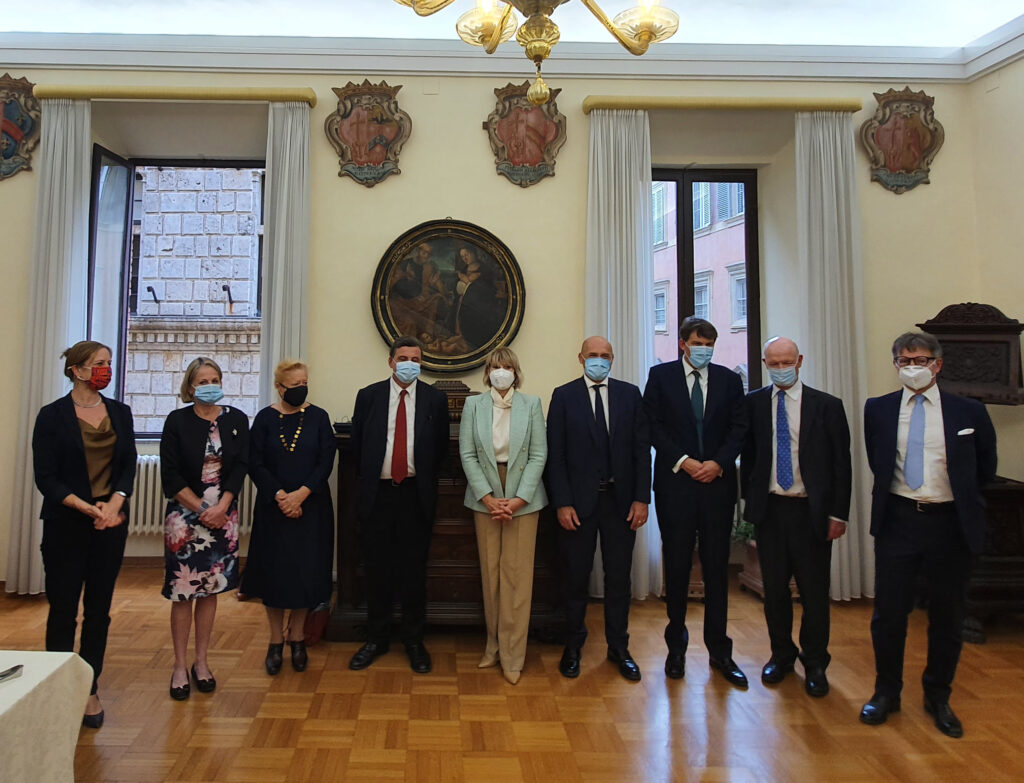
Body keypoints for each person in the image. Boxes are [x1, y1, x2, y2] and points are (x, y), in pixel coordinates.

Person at [860, 331, 996, 738]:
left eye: (920, 360)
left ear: (937, 364)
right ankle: (887, 692)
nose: (913, 367)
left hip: (950, 525)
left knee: (947, 616)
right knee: (889, 615)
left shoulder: (969, 412)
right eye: (904, 361)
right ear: (896, 365)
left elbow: (985, 467)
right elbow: (879, 462)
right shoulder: (878, 410)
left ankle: (938, 695)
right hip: (899, 521)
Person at [32, 341, 137, 729]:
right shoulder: (51, 416)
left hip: (109, 526)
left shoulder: (120, 413)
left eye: (108, 363)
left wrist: (115, 503)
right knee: (63, 611)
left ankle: (89, 687)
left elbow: (127, 466)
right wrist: (83, 506)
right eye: (98, 364)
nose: (105, 369)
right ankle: (59, 686)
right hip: (66, 525)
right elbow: (46, 477)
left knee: (98, 612)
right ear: (76, 370)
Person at [740, 337, 851, 697]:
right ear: (765, 363)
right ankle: (781, 655)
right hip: (771, 511)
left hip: (812, 513)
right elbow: (751, 457)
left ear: (799, 361)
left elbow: (841, 466)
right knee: (774, 591)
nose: (781, 368)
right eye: (774, 363)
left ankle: (815, 662)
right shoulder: (754, 403)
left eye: (787, 361)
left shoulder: (827, 406)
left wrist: (839, 514)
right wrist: (749, 504)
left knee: (814, 593)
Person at [643, 316, 748, 686]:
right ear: (683, 344)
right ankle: (676, 649)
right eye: (697, 342)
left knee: (718, 569)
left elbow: (740, 427)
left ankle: (720, 651)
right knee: (677, 565)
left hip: (717, 485)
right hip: (676, 485)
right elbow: (652, 425)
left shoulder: (730, 380)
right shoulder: (660, 378)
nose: (703, 348)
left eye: (709, 343)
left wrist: (718, 463)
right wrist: (685, 462)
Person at [546, 336, 650, 681]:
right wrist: (562, 502)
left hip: (621, 504)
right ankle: (573, 646)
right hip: (577, 505)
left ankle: (619, 647)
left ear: (613, 359)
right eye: (593, 355)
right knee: (575, 578)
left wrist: (641, 499)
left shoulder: (630, 394)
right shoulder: (564, 396)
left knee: (619, 579)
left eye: (605, 355)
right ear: (580, 358)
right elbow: (555, 456)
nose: (599, 360)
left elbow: (641, 451)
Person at [348, 336, 449, 674]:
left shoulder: (436, 399)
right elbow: (357, 448)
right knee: (377, 570)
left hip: (414, 497)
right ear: (391, 362)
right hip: (377, 495)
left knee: (413, 572)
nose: (409, 364)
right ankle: (376, 638)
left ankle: (414, 641)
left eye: (416, 359)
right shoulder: (370, 396)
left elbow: (440, 451)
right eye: (403, 358)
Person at [160, 357, 250, 700]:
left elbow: (241, 466)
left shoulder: (237, 419)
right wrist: (202, 509)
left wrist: (223, 506)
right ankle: (180, 665)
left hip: (223, 517)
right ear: (190, 387)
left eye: (215, 378)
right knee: (184, 593)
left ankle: (201, 662)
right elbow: (170, 474)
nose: (210, 384)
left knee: (210, 591)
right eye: (202, 380)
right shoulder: (177, 421)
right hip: (184, 518)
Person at [240, 359, 336, 676]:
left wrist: (301, 495)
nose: (301, 389)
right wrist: (281, 496)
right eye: (294, 385)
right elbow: (255, 463)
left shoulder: (319, 418)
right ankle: (273, 641)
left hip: (311, 507)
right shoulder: (265, 419)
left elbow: (325, 461)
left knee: (305, 573)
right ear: (279, 387)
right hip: (274, 509)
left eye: (304, 383)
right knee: (275, 575)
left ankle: (296, 636)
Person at [459, 346, 548, 684]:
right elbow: (467, 453)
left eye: (506, 366)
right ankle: (493, 645)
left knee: (516, 579)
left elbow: (539, 454)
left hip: (523, 498)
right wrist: (488, 496)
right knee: (491, 575)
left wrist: (518, 498)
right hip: (485, 495)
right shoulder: (474, 405)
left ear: (515, 371)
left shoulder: (532, 404)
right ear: (487, 372)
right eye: (495, 366)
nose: (501, 371)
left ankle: (514, 655)